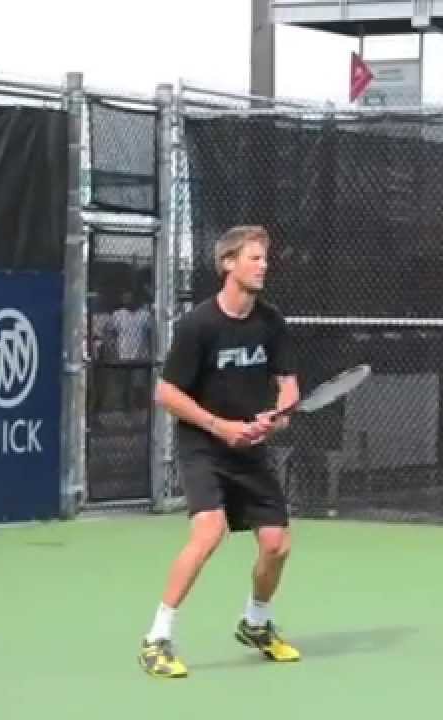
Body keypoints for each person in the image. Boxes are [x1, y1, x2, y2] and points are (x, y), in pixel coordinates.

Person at [140, 225, 302, 679]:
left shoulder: (271, 322)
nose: (263, 265)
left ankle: (256, 623)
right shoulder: (199, 326)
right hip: (204, 446)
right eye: (254, 257)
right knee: (208, 533)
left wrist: (277, 417)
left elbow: (288, 386)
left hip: (249, 449)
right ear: (228, 263)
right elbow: (166, 393)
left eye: (265, 258)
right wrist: (220, 426)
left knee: (277, 544)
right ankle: (157, 638)